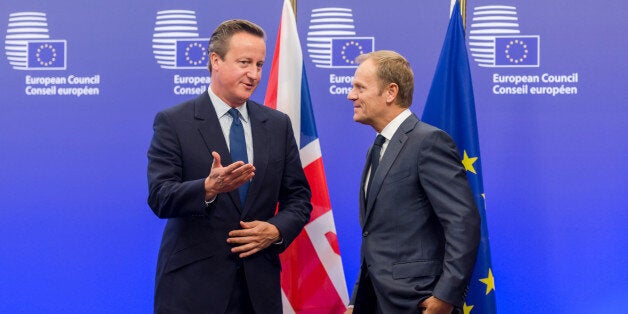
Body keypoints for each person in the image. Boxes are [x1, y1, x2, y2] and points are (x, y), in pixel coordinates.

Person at [147, 19, 312, 313]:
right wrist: (208, 188)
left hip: (258, 290)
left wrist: (275, 230)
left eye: (260, 65)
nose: (254, 74)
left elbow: (299, 198)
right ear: (216, 61)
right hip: (193, 289)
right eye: (244, 62)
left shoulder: (277, 125)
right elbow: (160, 197)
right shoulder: (175, 122)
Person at [345, 50, 481, 314]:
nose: (351, 95)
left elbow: (462, 222)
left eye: (360, 87)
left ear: (390, 92)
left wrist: (445, 296)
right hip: (376, 301)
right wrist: (357, 299)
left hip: (417, 301)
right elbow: (375, 235)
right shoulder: (376, 148)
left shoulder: (428, 142)